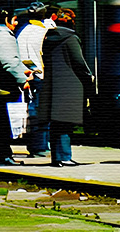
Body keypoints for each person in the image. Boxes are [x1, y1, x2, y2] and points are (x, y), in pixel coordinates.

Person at [38, 8, 92, 167]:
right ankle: (65, 157)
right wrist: (88, 76)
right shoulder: (71, 39)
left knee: (56, 123)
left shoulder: (47, 38)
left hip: (53, 84)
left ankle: (57, 157)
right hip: (70, 85)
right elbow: (79, 62)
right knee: (66, 123)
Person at [0, 9, 32, 166]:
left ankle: (1, 155)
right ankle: (2, 156)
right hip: (5, 84)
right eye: (15, 20)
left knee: (0, 121)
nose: (16, 24)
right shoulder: (3, 35)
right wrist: (23, 79)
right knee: (4, 122)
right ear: (7, 19)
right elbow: (9, 62)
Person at [15, 3, 53, 157]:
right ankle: (41, 146)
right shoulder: (45, 30)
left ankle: (34, 145)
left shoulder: (22, 31)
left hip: (28, 74)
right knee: (43, 113)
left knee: (32, 111)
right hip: (42, 74)